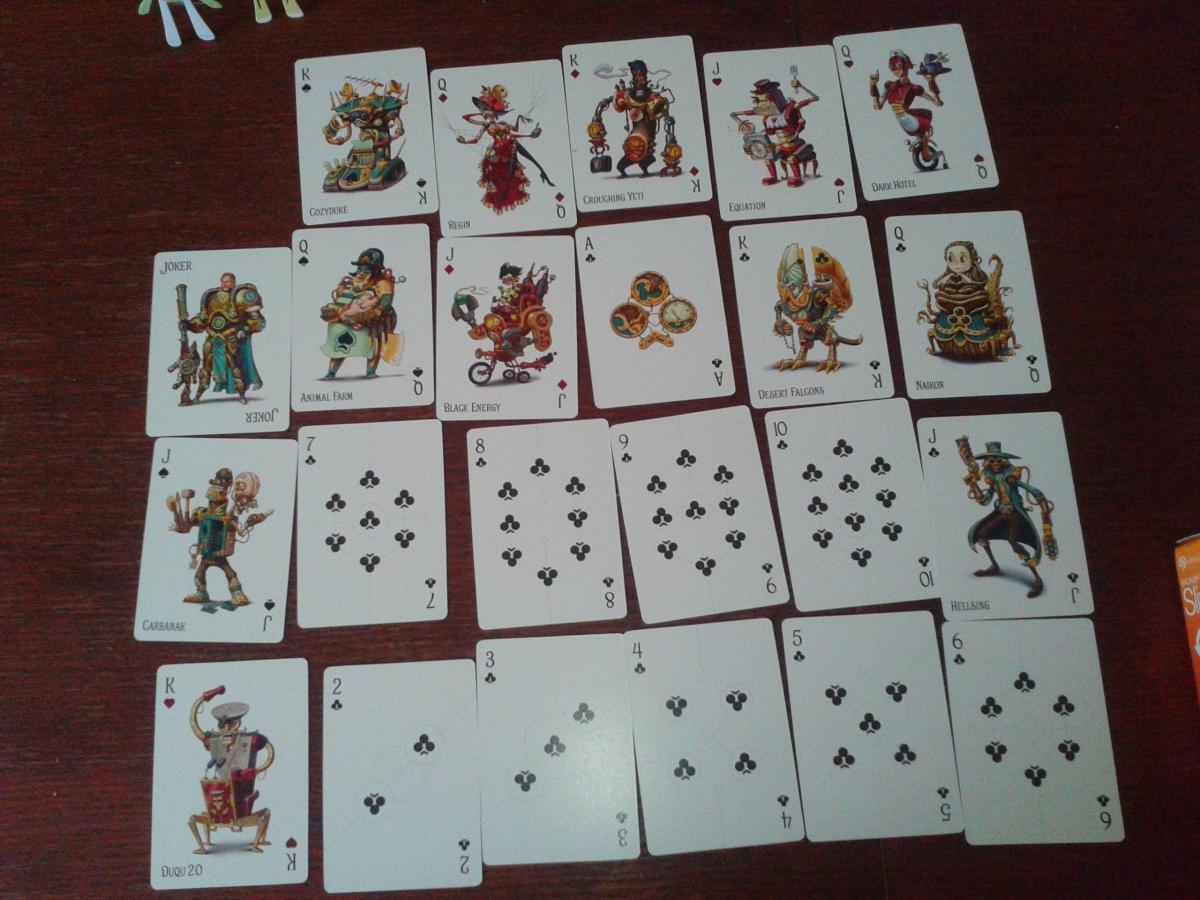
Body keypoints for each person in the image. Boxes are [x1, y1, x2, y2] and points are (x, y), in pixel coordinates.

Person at [167, 468, 271, 607]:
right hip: (206, 549)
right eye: (218, 481)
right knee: (200, 572)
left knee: (227, 570)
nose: (213, 498)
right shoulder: (202, 512)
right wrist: (183, 526)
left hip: (218, 549)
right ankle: (201, 593)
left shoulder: (227, 516)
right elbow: (189, 526)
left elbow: (239, 530)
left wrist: (244, 524)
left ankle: (238, 594)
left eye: (224, 481)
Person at [188, 686, 273, 854]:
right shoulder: (214, 740)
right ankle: (208, 841)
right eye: (223, 726)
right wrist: (201, 700)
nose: (226, 730)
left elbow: (269, 750)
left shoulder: (251, 739)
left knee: (252, 806)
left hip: (243, 790)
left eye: (229, 725)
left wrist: (254, 771)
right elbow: (195, 725)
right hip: (223, 788)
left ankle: (256, 841)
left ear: (235, 724)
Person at [967, 442, 1054, 598]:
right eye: (991, 460)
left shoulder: (1011, 476)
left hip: (1015, 515)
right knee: (981, 535)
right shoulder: (993, 481)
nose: (995, 463)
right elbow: (985, 501)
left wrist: (1041, 502)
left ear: (1004, 462)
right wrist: (974, 486)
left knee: (1014, 542)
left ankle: (1037, 579)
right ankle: (994, 566)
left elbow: (1033, 490)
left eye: (998, 460)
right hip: (1001, 513)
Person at [458, 85, 553, 213]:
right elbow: (467, 120)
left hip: (507, 148)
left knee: (513, 145)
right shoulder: (485, 125)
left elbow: (515, 131)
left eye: (490, 110)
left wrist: (529, 133)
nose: (487, 113)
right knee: (512, 145)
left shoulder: (503, 124)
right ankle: (535, 171)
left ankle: (536, 171)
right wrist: (480, 114)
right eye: (485, 110)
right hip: (496, 150)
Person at [184, 272, 264, 405]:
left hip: (231, 337)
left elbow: (258, 321)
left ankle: (242, 396)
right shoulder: (210, 296)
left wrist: (244, 331)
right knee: (205, 369)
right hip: (212, 338)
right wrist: (188, 324)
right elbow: (203, 320)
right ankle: (197, 397)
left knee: (235, 368)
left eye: (228, 281)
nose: (225, 284)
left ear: (234, 282)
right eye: (223, 281)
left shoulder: (242, 295)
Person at [319, 248, 398, 379]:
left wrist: (370, 314)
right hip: (345, 321)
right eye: (360, 269)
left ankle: (370, 371)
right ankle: (331, 372)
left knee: (373, 342)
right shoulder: (349, 283)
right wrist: (338, 312)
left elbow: (385, 303)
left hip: (371, 322)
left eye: (367, 270)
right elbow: (339, 302)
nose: (361, 273)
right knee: (339, 339)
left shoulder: (382, 284)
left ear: (375, 271)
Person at [730, 76, 819, 186]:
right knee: (767, 158)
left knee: (792, 159)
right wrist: (753, 146)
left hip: (798, 146)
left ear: (776, 96)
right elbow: (752, 113)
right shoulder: (768, 117)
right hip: (782, 147)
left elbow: (815, 98)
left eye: (766, 100)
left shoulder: (791, 108)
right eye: (759, 101)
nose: (762, 105)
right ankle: (773, 177)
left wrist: (800, 86)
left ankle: (797, 178)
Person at [869, 50, 946, 163]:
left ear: (906, 66)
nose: (895, 70)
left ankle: (926, 152)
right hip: (905, 120)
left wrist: (931, 81)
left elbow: (938, 103)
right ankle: (926, 151)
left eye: (898, 65)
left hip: (910, 120)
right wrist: (872, 85)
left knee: (926, 118)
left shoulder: (914, 88)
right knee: (924, 125)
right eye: (892, 66)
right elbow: (877, 106)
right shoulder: (889, 85)